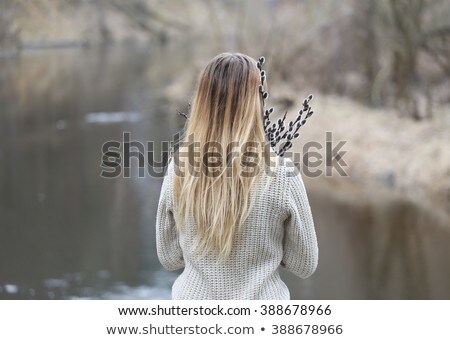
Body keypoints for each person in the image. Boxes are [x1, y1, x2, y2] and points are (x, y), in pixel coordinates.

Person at [156, 52, 318, 299]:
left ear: (201, 103)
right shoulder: (284, 176)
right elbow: (304, 265)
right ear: (256, 103)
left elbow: (169, 258)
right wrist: (265, 251)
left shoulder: (179, 170)